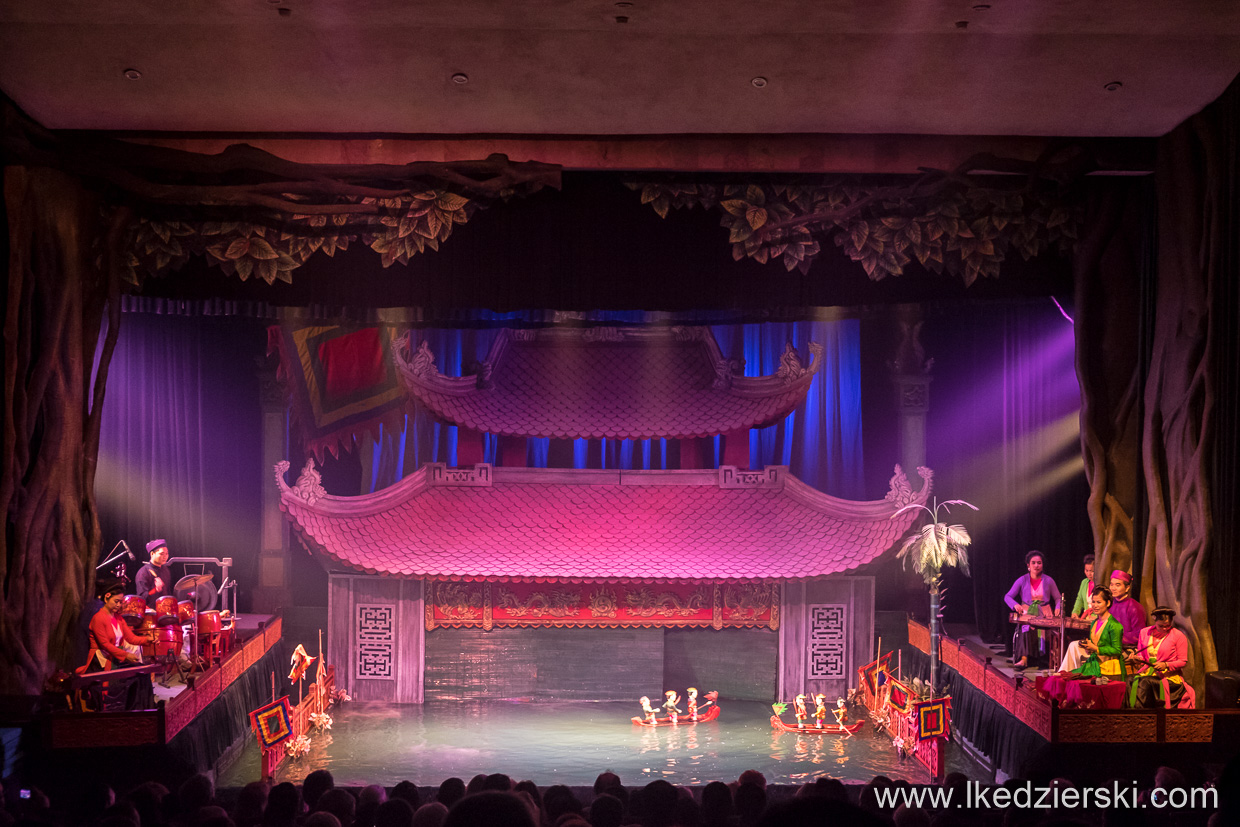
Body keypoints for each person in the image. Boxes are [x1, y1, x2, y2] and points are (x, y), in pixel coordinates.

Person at [82, 578, 155, 709]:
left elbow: (131, 638)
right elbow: (105, 645)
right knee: (134, 678)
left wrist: (146, 639)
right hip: (100, 661)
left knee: (143, 675)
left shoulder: (118, 618)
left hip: (115, 657)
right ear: (106, 598)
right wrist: (126, 655)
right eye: (116, 601)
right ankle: (128, 709)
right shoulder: (98, 618)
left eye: (121, 602)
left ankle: (145, 710)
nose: (118, 605)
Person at [1003, 550, 1062, 669]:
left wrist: (1057, 607)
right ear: (1028, 566)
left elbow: (1058, 598)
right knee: (1025, 628)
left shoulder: (1049, 580)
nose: (1036, 565)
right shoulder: (1022, 580)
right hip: (1027, 612)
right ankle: (1024, 659)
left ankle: (1044, 660)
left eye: (1039, 563)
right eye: (1033, 563)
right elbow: (1007, 596)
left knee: (1045, 631)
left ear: (1042, 565)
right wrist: (1015, 605)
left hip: (1044, 612)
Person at [1126, 606, 1192, 708]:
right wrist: (1137, 658)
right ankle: (1130, 712)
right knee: (1129, 679)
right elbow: (1142, 657)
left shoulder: (1178, 636)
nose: (1164, 628)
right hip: (1148, 672)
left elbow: (1182, 661)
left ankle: (1141, 714)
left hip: (1168, 676)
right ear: (1154, 620)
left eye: (1167, 626)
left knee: (1144, 682)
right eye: (1161, 626)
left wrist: (1166, 664)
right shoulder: (1145, 633)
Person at [1107, 570, 1147, 648]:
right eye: (1111, 584)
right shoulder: (1109, 604)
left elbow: (1139, 634)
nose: (1113, 588)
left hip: (1126, 648)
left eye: (1117, 585)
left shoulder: (1135, 607)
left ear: (1127, 588)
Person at [136, 539, 173, 609]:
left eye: (166, 553)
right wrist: (155, 590)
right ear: (152, 554)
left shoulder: (166, 570)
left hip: (164, 610)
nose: (165, 556)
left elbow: (168, 592)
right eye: (161, 554)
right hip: (150, 613)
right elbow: (141, 598)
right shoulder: (143, 572)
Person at [1070, 554, 1096, 618]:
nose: (1088, 574)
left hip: (1097, 619)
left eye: (1092, 571)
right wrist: (1075, 612)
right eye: (1086, 570)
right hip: (1086, 617)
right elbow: (1079, 600)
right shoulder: (1084, 582)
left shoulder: (1100, 583)